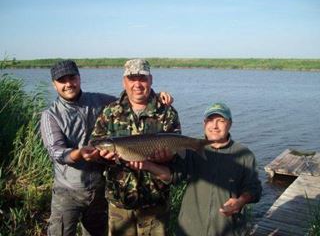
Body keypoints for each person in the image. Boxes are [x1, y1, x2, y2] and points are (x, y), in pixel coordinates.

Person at [40, 59, 173, 236]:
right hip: (68, 190)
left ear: (79, 78)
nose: (68, 84)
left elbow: (133, 97)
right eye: (62, 81)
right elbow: (56, 151)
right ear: (54, 84)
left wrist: (157, 96)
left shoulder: (100, 101)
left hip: (98, 188)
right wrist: (79, 153)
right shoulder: (50, 115)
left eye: (72, 78)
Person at [131, 102, 262, 236]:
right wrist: (147, 165)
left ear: (229, 124)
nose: (215, 126)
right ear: (204, 124)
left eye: (220, 121)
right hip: (189, 230)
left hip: (228, 230)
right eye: (210, 120)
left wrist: (240, 202)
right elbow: (172, 176)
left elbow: (254, 189)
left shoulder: (244, 155)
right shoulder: (190, 149)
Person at [90, 59, 181, 236]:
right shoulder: (110, 111)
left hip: (155, 204)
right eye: (132, 78)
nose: (137, 84)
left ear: (151, 80)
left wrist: (167, 157)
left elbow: (176, 155)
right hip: (119, 203)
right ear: (124, 81)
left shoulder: (167, 112)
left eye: (142, 78)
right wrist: (102, 156)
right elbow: (95, 145)